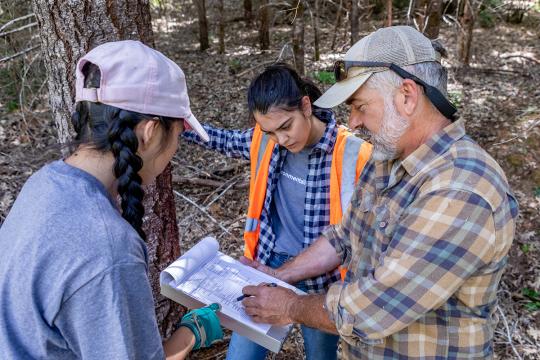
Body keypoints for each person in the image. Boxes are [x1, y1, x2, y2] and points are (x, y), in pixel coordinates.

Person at [238, 26, 519, 359]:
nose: (353, 122)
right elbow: (343, 237)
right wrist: (280, 275)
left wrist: (290, 305)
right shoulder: (387, 159)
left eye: (360, 106)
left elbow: (374, 308)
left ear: (407, 96)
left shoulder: (461, 186)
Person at [0, 40, 223, 360]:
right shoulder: (107, 247)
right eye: (179, 132)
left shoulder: (42, 184)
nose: (175, 148)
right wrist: (191, 333)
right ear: (149, 132)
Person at [183, 63, 372, 360]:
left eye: (286, 126)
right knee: (241, 356)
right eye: (270, 132)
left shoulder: (353, 152)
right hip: (268, 266)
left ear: (306, 106)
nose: (281, 139)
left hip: (324, 278)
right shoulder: (264, 141)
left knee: (320, 356)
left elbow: (359, 232)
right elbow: (221, 139)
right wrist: (181, 123)